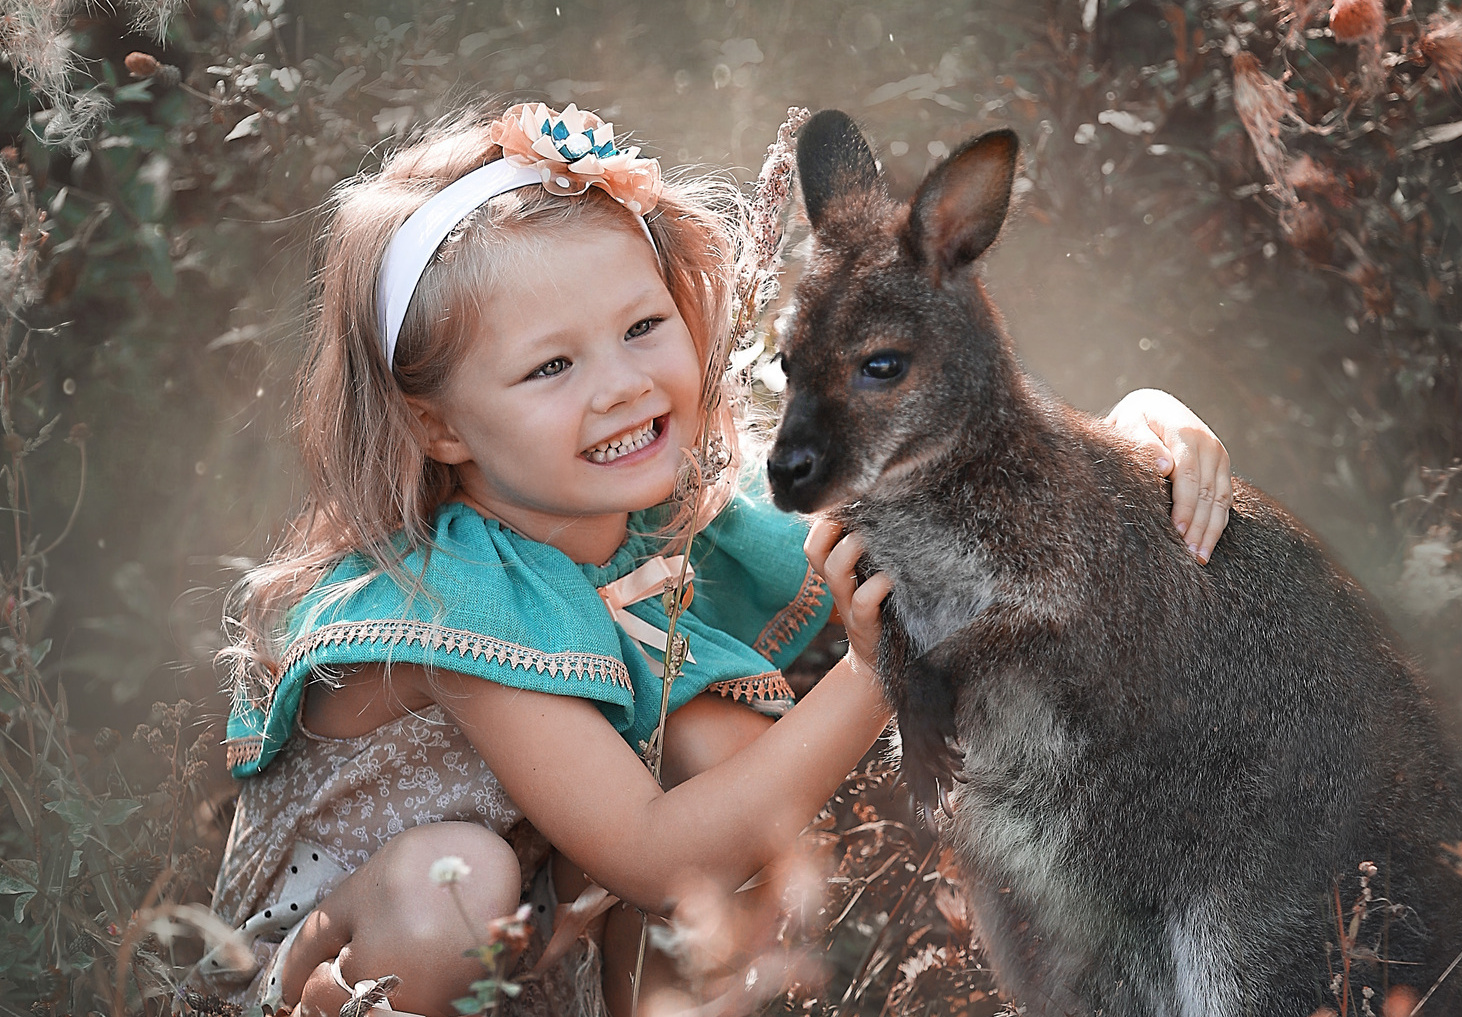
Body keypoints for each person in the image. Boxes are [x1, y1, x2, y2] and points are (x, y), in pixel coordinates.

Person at [187, 101, 1233, 1017]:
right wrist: (880, 670)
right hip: (354, 961)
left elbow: (908, 500)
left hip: (536, 933)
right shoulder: (456, 601)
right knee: (448, 884)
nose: (621, 386)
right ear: (438, 426)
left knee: (721, 752)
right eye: (550, 365)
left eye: (643, 326)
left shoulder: (659, 524)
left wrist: (1131, 437)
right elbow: (650, 852)